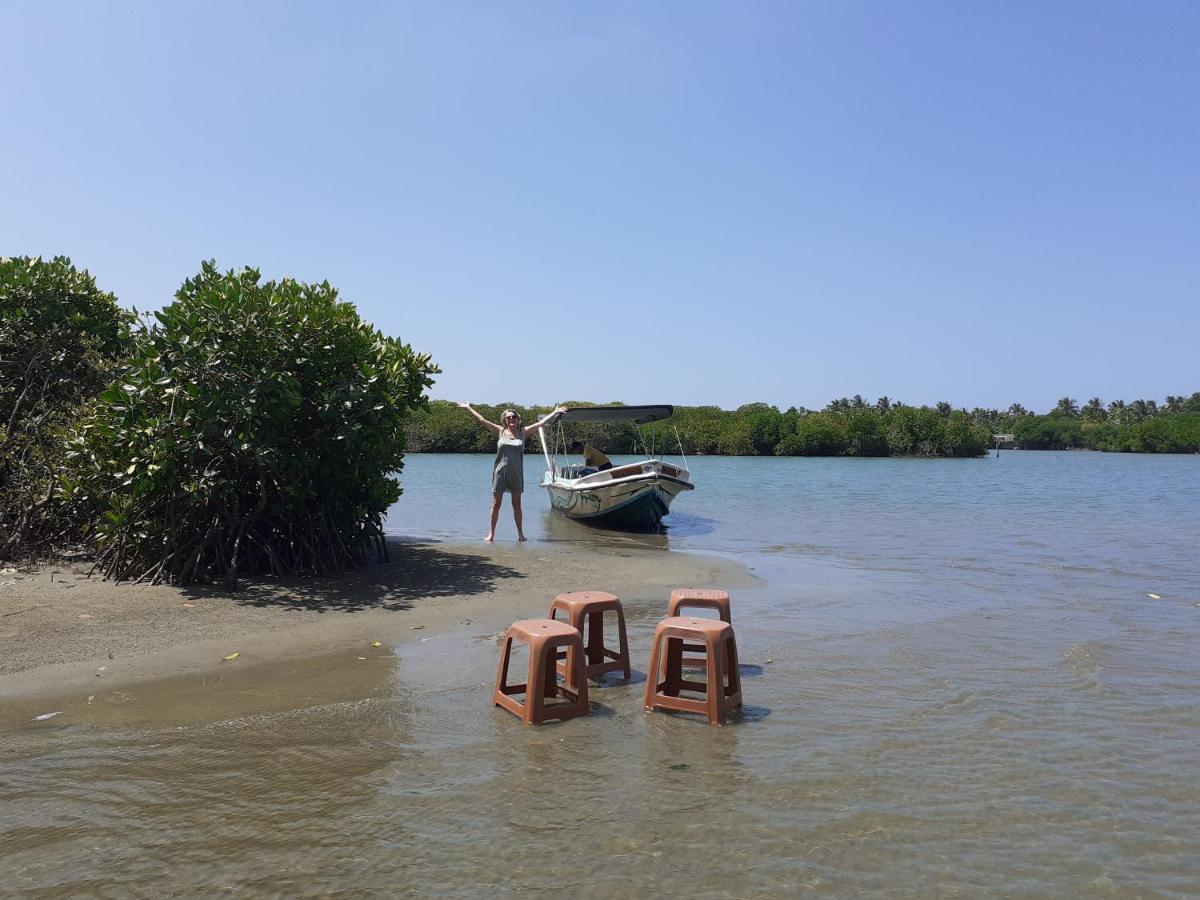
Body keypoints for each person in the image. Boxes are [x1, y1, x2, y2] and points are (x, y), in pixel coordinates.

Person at [457, 402, 566, 542]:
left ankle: (520, 534)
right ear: (505, 420)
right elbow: (482, 420)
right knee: (496, 504)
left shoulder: (523, 432)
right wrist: (468, 407)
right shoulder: (500, 431)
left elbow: (541, 424)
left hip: (516, 474)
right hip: (500, 473)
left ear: (518, 419)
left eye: (513, 417)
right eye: (508, 418)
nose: (511, 419)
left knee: (517, 505)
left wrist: (555, 411)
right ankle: (491, 534)